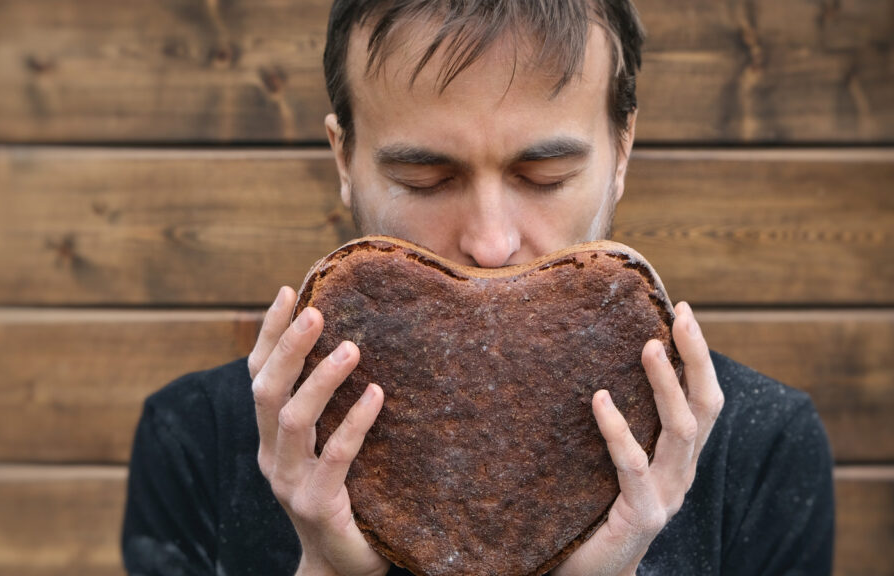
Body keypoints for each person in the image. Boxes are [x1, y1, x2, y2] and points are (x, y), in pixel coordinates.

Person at [121, 1, 835, 574]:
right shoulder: (196, 439)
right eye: (425, 179)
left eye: (545, 177)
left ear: (621, 153)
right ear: (344, 159)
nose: (491, 243)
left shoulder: (763, 449)